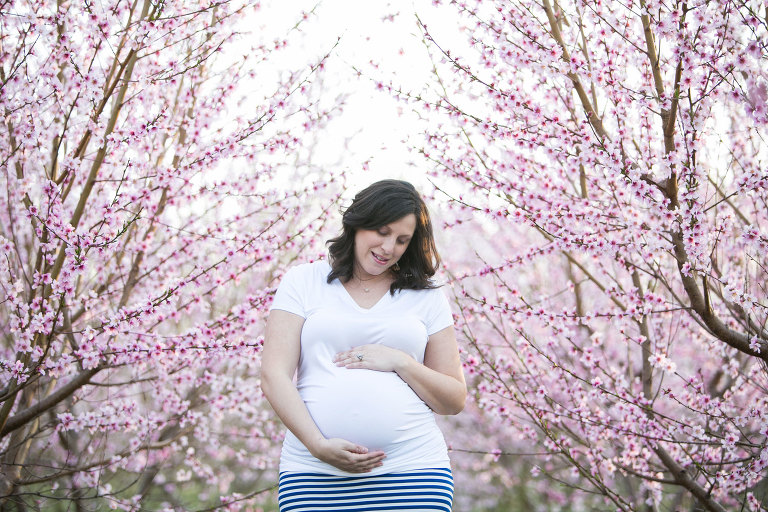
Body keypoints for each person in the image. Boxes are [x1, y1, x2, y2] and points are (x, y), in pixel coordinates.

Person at [261, 179, 466, 512]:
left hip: (412, 472)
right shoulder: (303, 281)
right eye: (382, 232)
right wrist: (317, 445)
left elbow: (454, 398)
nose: (390, 248)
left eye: (402, 240)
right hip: (313, 472)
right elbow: (274, 375)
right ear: (358, 223)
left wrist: (401, 361)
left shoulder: (427, 298)